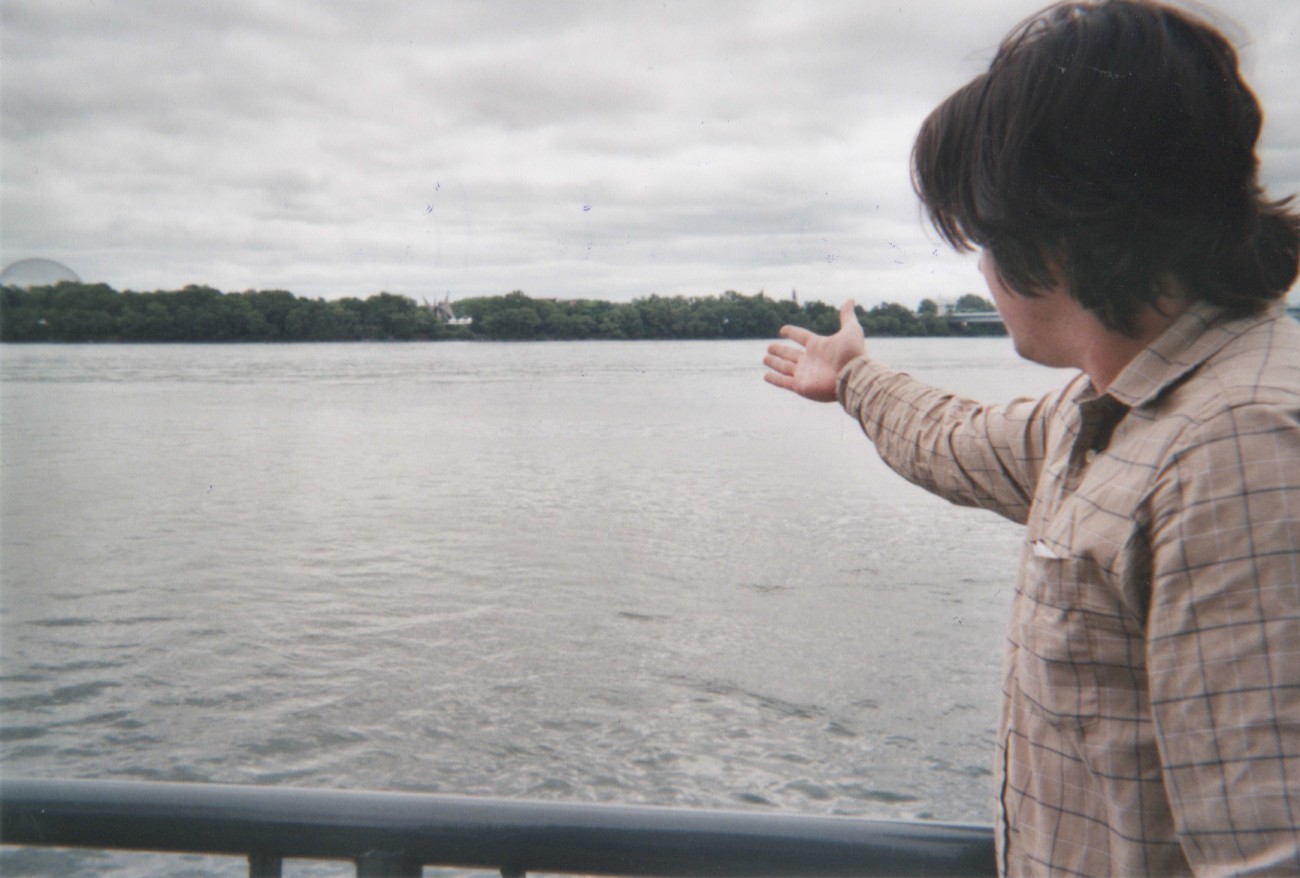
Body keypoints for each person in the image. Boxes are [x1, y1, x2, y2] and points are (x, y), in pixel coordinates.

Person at [763, 1, 1300, 874]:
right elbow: (958, 439)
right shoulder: (1110, 413)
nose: (980, 268)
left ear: (1052, 235)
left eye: (980, 236)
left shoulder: (1241, 446)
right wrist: (853, 378)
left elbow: (1270, 856)